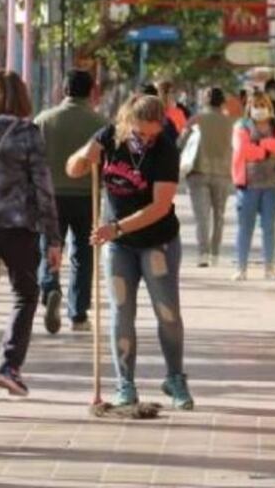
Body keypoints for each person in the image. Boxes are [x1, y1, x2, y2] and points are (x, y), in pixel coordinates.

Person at [66, 94, 194, 410]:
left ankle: (175, 377)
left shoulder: (164, 149)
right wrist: (83, 158)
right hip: (119, 247)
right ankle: (125, 383)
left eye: (152, 133)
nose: (146, 140)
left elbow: (161, 206)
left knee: (167, 312)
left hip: (157, 241)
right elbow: (73, 168)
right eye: (140, 133)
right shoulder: (109, 136)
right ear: (127, 122)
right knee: (122, 311)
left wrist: (117, 228)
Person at [0, 71, 62, 401]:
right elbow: (43, 187)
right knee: (25, 293)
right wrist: (53, 237)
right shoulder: (27, 132)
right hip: (19, 227)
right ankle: (9, 366)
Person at [34, 70, 109, 334]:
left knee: (49, 246)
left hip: (50, 196)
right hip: (86, 196)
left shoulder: (43, 120)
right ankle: (78, 313)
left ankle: (50, 286)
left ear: (63, 90)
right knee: (83, 253)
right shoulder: (101, 123)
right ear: (91, 91)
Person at [231, 92, 275, 282]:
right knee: (245, 227)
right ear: (249, 106)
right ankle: (241, 268)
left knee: (269, 228)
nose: (259, 108)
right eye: (256, 105)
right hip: (248, 184)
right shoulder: (241, 125)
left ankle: (270, 269)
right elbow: (243, 149)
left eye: (263, 104)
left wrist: (260, 143)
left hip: (272, 184)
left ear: (269, 106)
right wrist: (267, 152)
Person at [180, 87, 235, 267]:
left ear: (205, 101)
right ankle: (215, 254)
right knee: (219, 215)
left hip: (198, 172)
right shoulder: (231, 122)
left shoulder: (196, 120)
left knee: (202, 216)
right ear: (222, 102)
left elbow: (180, 142)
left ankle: (203, 254)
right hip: (223, 174)